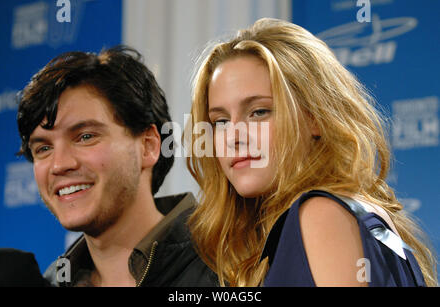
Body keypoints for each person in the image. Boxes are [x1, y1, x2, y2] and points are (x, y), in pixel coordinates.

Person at [186, 18, 437, 286]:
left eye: (259, 112)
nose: (234, 137)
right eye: (220, 122)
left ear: (315, 118)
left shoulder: (321, 214)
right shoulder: (344, 213)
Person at [16, 46, 217, 287]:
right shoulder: (47, 284)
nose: (59, 165)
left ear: (149, 145)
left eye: (85, 137)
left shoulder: (231, 262)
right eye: (43, 148)